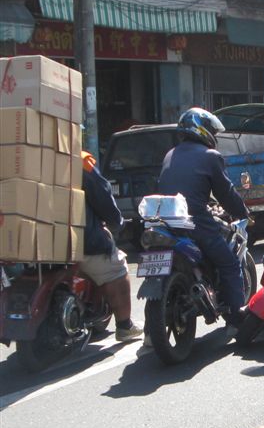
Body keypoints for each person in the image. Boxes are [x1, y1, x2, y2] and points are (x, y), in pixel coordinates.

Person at [157, 107, 249, 329]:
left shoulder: (170, 154)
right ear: (201, 129)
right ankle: (237, 319)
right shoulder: (210, 156)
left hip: (165, 222)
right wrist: (242, 212)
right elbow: (225, 193)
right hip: (195, 224)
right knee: (228, 263)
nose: (214, 136)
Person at [80, 151, 143, 342]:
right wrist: (117, 223)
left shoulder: (22, 156)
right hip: (82, 242)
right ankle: (124, 326)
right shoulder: (80, 161)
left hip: (30, 246)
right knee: (118, 269)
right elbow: (102, 195)